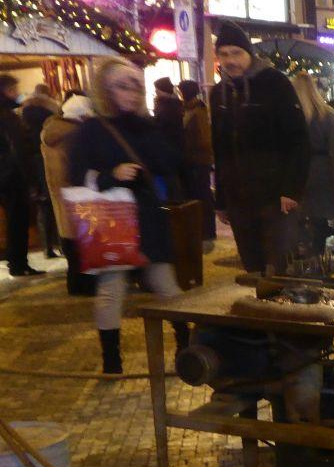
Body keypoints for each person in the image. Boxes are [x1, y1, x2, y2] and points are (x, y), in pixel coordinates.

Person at [68, 58, 185, 374]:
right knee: (111, 289)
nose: (131, 94)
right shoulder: (91, 130)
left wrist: (159, 142)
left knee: (167, 286)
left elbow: (171, 162)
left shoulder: (146, 126)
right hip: (112, 221)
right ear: (106, 90)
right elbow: (76, 175)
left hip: (148, 217)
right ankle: (112, 360)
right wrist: (111, 175)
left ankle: (186, 349)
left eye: (136, 87)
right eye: (123, 86)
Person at [210, 20, 310, 274]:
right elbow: (220, 147)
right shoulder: (219, 93)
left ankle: (282, 311)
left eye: (236, 53)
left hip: (274, 195)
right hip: (238, 197)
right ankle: (259, 308)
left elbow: (298, 139)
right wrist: (221, 199)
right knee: (251, 265)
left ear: (249, 54)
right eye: (224, 54)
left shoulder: (275, 83)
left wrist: (291, 188)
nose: (230, 60)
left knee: (279, 265)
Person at [41, 92, 96, 296]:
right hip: (77, 192)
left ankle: (75, 285)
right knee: (82, 241)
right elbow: (79, 168)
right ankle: (86, 286)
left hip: (59, 192)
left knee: (70, 240)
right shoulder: (74, 135)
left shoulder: (51, 132)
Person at [292, 71, 334, 256]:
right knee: (319, 215)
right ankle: (316, 256)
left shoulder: (290, 113)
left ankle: (299, 251)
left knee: (297, 213)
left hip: (297, 169)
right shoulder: (325, 115)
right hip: (321, 169)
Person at [0, 74, 40, 276]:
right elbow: (18, 151)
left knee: (18, 221)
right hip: (12, 178)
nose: (17, 93)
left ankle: (19, 262)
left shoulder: (9, 114)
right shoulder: (6, 116)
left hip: (10, 176)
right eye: (13, 89)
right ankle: (17, 263)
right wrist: (28, 179)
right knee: (18, 221)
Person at [21, 83, 61, 259]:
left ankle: (46, 247)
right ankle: (61, 244)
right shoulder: (53, 114)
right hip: (50, 160)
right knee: (57, 206)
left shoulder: (21, 114)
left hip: (31, 163)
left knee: (42, 208)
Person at [178, 79, 216, 248]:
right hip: (196, 161)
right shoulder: (190, 109)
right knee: (200, 196)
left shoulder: (197, 110)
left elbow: (203, 139)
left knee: (202, 196)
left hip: (198, 161)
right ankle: (202, 230)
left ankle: (207, 232)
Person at [152, 77, 185, 164]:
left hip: (171, 145)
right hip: (171, 145)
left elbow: (162, 124)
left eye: (157, 89)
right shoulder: (166, 103)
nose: (156, 91)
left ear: (163, 90)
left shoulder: (169, 106)